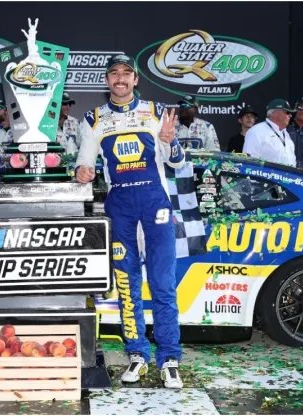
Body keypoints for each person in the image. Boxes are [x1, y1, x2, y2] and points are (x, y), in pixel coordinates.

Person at [75, 54, 184, 389]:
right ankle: (137, 353)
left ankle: (169, 358)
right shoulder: (93, 118)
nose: (120, 79)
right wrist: (82, 171)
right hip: (119, 204)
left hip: (155, 204)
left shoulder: (156, 112)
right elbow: (84, 163)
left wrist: (170, 141)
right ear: (107, 80)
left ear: (135, 79)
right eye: (114, 74)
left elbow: (177, 163)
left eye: (126, 74)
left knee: (163, 285)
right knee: (127, 285)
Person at [242, 99, 297, 166]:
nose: (290, 115)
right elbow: (249, 162)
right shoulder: (256, 131)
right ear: (275, 113)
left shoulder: (286, 134)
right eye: (287, 112)